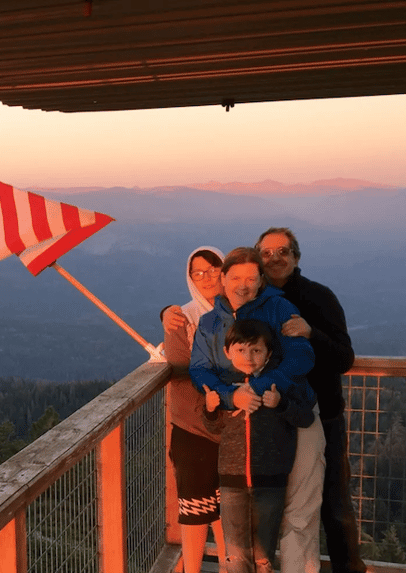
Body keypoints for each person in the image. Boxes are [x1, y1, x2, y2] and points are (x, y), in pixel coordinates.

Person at [188, 246, 321, 571]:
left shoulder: (279, 308)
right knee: (245, 543)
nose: (243, 284)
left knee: (297, 515)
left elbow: (301, 357)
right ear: (224, 278)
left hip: (292, 416)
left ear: (261, 279)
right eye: (236, 277)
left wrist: (257, 388)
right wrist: (231, 397)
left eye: (251, 277)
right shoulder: (210, 322)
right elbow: (199, 369)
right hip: (243, 441)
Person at [256, 227, 363, 573]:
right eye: (267, 252)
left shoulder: (319, 297)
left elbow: (345, 358)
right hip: (271, 419)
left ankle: (348, 567)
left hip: (324, 417)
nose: (275, 258)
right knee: (274, 503)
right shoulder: (253, 301)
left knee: (333, 503)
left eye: (282, 251)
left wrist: (310, 333)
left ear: (296, 257)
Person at [202, 319, 315, 573]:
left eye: (256, 350)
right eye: (240, 350)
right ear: (227, 352)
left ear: (269, 354)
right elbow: (213, 428)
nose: (248, 357)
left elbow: (306, 418)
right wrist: (210, 408)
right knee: (236, 552)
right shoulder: (223, 386)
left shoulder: (280, 385)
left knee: (264, 554)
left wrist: (281, 404)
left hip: (271, 481)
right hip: (231, 481)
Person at [161, 246, 227, 573]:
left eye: (213, 269)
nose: (206, 277)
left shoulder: (241, 313)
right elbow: (177, 364)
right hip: (193, 430)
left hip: (232, 431)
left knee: (230, 513)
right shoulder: (181, 316)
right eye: (197, 273)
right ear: (190, 278)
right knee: (196, 511)